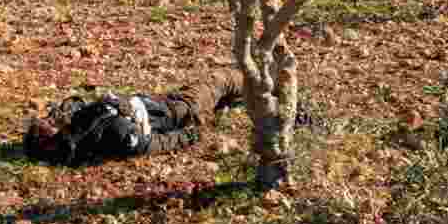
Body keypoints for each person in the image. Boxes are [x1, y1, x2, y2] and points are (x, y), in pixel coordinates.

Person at [24, 72, 316, 168]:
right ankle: (283, 98)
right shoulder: (108, 137)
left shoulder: (78, 130)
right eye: (46, 127)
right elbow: (151, 145)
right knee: (223, 80)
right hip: (181, 111)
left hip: (162, 103)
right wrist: (191, 136)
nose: (50, 121)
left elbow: (78, 110)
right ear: (48, 142)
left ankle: (274, 101)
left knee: (229, 98)